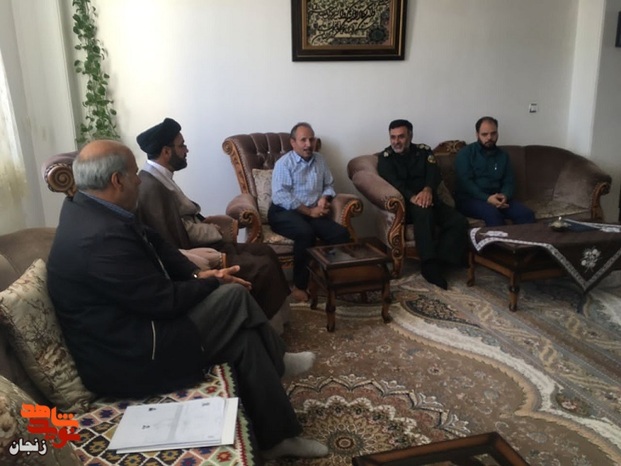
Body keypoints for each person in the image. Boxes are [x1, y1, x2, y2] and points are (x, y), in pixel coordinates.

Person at [46, 140, 328, 459]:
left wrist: (197, 273)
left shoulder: (93, 209)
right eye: (133, 173)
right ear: (117, 180)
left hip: (136, 330)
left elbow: (156, 242)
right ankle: (279, 359)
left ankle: (277, 439)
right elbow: (164, 302)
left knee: (246, 340)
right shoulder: (97, 240)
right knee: (234, 295)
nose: (139, 180)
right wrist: (212, 281)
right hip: (130, 357)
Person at [135, 118, 290, 322]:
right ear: (166, 152)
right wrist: (213, 230)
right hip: (194, 255)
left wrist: (208, 226)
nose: (187, 150)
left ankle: (279, 321)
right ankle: (263, 328)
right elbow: (175, 236)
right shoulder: (150, 187)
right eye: (182, 145)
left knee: (265, 250)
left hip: (202, 242)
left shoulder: (159, 176)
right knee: (262, 267)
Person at [378, 119, 468, 290]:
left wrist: (427, 190)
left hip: (430, 199)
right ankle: (429, 266)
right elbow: (395, 183)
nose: (396, 141)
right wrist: (413, 197)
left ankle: (442, 259)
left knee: (458, 221)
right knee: (423, 213)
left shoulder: (424, 151)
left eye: (401, 137)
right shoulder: (385, 158)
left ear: (410, 136)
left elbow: (434, 174)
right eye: (393, 137)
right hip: (406, 206)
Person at [268, 122, 351, 302]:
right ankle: (299, 286)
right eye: (303, 140)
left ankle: (327, 276)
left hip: (312, 210)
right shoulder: (284, 163)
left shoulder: (320, 160)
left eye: (311, 139)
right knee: (305, 233)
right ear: (293, 143)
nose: (308, 144)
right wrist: (309, 211)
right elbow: (281, 196)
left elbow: (329, 184)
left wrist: (324, 198)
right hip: (284, 212)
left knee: (340, 234)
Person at [454, 116, 536, 226]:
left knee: (526, 214)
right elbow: (466, 184)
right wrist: (487, 198)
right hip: (471, 200)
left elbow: (509, 181)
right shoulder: (465, 154)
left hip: (498, 198)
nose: (489, 138)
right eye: (484, 134)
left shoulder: (503, 155)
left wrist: (505, 196)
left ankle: (521, 238)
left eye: (493, 133)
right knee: (493, 214)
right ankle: (499, 239)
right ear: (477, 135)